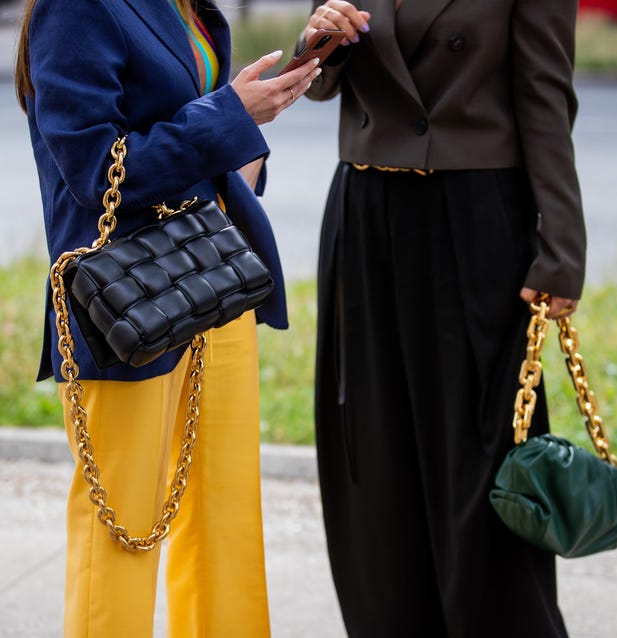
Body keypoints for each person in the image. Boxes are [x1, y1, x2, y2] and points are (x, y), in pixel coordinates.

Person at [15, 0, 321, 636]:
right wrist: (231, 114)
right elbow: (100, 173)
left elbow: (209, 145)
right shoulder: (75, 10)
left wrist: (276, 90)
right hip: (128, 307)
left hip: (214, 282)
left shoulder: (194, 7)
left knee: (224, 525)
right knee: (120, 535)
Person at [300, 1, 585, 636]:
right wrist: (321, 39)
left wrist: (562, 248)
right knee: (371, 461)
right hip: (365, 214)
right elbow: (318, 80)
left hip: (475, 220)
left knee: (483, 470)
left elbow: (545, 96)